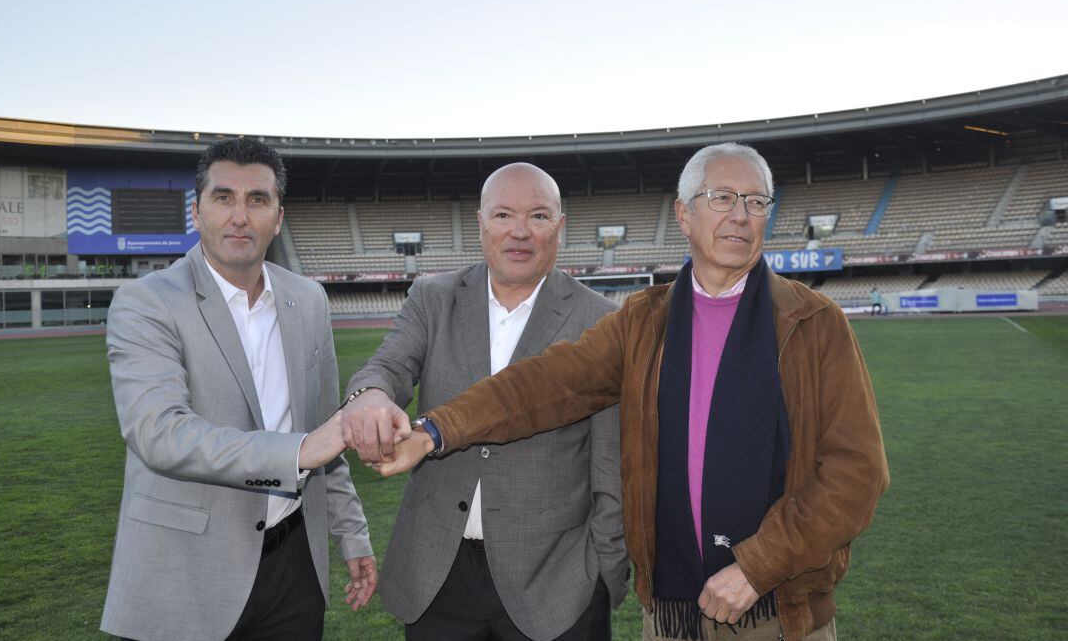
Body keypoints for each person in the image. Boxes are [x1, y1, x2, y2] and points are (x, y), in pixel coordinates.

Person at [376, 143, 889, 641]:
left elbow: (856, 472)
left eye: (756, 202)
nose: (740, 215)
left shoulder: (813, 323)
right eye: (722, 198)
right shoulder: (644, 321)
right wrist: (435, 430)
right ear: (684, 215)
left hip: (779, 612)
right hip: (669, 614)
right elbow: (543, 385)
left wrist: (758, 567)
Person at [100, 139, 375, 641]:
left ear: (279, 217)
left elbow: (326, 433)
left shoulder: (308, 300)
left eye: (258, 200)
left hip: (293, 569)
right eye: (224, 197)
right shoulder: (146, 302)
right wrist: (297, 451)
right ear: (197, 211)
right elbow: (159, 434)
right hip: (185, 572)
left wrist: (352, 534)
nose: (240, 217)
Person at [341, 162, 628, 640]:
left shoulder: (601, 320)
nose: (520, 231)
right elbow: (387, 366)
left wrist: (602, 569)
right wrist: (368, 394)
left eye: (538, 216)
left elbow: (610, 464)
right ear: (481, 223)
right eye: (503, 215)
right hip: (439, 573)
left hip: (556, 582)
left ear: (560, 226)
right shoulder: (433, 298)